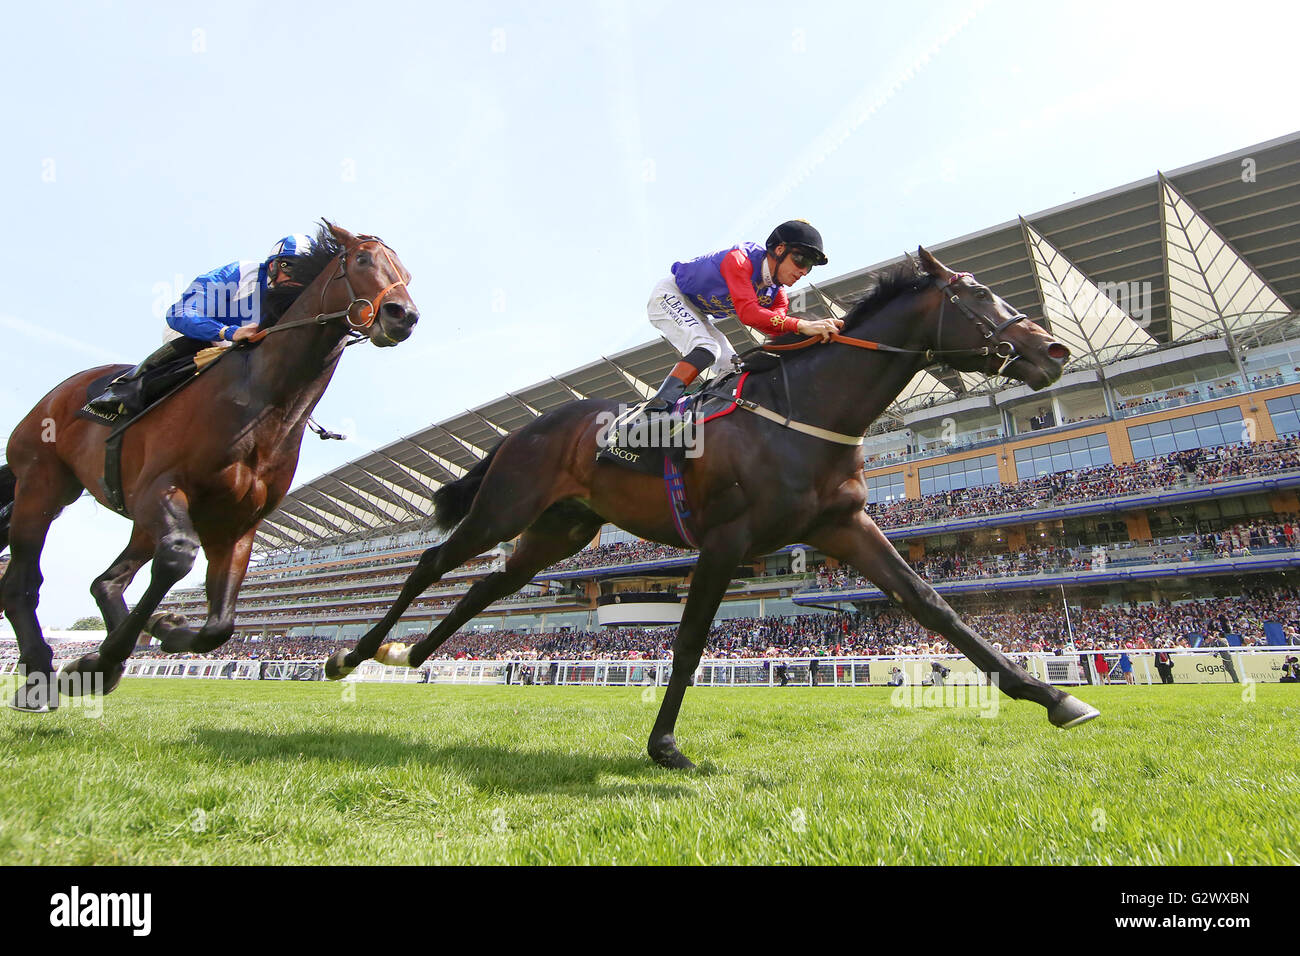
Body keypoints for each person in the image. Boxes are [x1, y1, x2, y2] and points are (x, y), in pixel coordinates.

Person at [89, 233, 317, 416]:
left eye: (304, 274)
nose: (295, 279)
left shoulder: (298, 300)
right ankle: (124, 391)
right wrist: (229, 332)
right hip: (200, 333)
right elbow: (180, 313)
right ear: (272, 266)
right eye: (289, 267)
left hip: (245, 351)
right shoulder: (239, 274)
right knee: (214, 353)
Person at [642, 220, 843, 412]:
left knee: (733, 366)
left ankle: (700, 413)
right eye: (801, 260)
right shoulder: (739, 259)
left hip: (697, 311)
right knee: (706, 348)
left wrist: (812, 339)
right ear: (780, 249)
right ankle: (655, 407)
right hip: (670, 294)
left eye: (809, 267)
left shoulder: (778, 296)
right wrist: (803, 324)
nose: (803, 272)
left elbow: (774, 327)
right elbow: (749, 314)